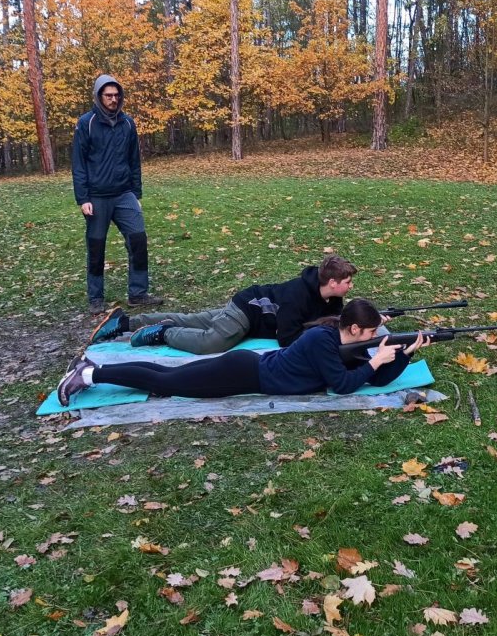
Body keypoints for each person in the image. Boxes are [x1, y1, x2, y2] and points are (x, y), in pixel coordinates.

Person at [56, 299, 429, 405]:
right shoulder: (324, 341)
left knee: (165, 377)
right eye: (372, 333)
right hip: (244, 373)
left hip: (250, 370)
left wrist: (405, 354)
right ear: (355, 330)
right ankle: (89, 374)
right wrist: (376, 360)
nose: (375, 338)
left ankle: (91, 370)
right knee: (165, 381)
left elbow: (374, 378)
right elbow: (343, 385)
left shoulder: (343, 341)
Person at [90, 254, 357, 354]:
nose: (350, 286)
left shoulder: (333, 297)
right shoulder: (297, 296)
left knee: (190, 320)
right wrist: (320, 334)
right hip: (247, 313)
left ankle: (123, 322)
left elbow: (335, 321)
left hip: (246, 308)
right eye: (347, 282)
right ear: (332, 282)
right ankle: (163, 333)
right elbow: (286, 338)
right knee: (210, 343)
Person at [72, 73, 163, 312]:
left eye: (116, 95)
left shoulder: (128, 123)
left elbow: (134, 160)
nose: (113, 99)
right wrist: (83, 198)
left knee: (138, 239)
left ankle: (138, 293)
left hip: (124, 194)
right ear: (98, 96)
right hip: (96, 197)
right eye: (108, 95)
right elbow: (79, 163)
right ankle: (96, 298)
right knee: (96, 246)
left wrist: (136, 194)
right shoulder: (86, 123)